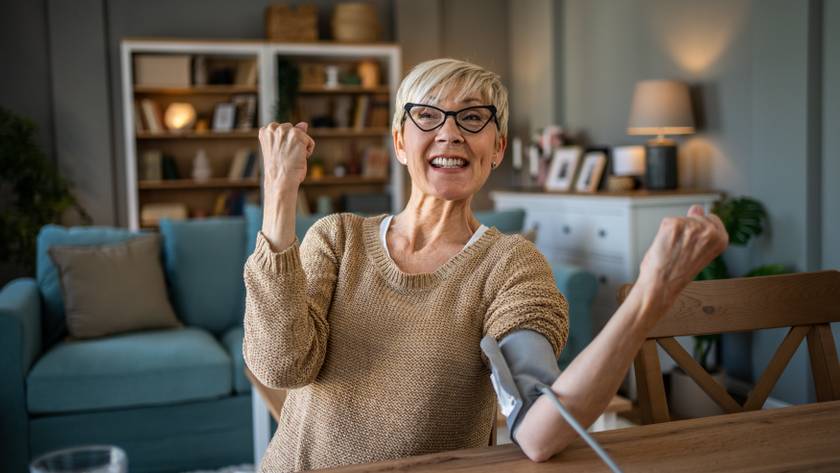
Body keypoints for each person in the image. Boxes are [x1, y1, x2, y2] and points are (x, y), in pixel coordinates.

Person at [243, 58, 728, 472]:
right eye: (427, 116)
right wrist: (280, 194)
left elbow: (540, 431)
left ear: (496, 148)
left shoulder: (510, 266)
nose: (449, 133)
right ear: (398, 141)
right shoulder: (338, 236)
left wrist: (650, 295)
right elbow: (281, 365)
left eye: (473, 118)